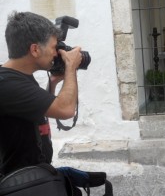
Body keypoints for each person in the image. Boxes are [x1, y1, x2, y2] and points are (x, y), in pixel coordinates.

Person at [0, 11, 103, 196]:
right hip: (21, 184)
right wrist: (71, 67)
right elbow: (65, 109)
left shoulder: (18, 78)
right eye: (54, 47)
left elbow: (38, 109)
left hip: (35, 176)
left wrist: (53, 83)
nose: (56, 54)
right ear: (35, 49)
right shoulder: (6, 83)